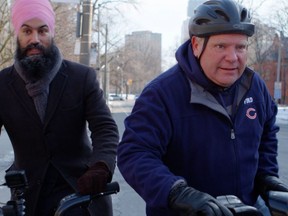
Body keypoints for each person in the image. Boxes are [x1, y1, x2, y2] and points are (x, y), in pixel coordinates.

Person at [117, 0, 288, 215]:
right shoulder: (162, 93)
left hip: (247, 209)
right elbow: (134, 153)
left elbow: (267, 134)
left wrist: (266, 177)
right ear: (197, 45)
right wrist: (177, 193)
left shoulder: (255, 86)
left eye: (240, 47)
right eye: (221, 46)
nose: (232, 57)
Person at [0, 0, 119, 215]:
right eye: (27, 31)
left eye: (42, 31)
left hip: (80, 193)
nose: (34, 39)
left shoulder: (81, 77)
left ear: (51, 33)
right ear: (17, 34)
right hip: (28, 197)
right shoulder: (2, 84)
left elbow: (105, 128)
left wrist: (100, 166)